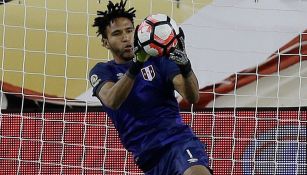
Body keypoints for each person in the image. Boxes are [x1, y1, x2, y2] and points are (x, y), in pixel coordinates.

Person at [89, 0, 213, 174]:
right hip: (147, 157)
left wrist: (186, 66)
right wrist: (136, 65)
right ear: (105, 42)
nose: (125, 37)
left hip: (178, 141)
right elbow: (112, 100)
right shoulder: (103, 71)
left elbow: (192, 97)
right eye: (117, 33)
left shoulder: (159, 60)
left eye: (129, 30)